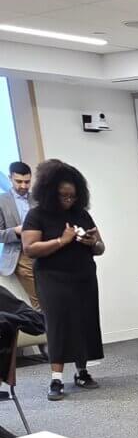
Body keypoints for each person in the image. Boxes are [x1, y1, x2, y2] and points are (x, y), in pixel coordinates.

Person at [21, 160, 105, 402]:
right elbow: (30, 248)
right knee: (58, 325)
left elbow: (100, 246)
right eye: (63, 196)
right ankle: (56, 379)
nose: (68, 200)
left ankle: (82, 372)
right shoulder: (36, 215)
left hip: (83, 276)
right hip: (52, 279)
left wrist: (93, 243)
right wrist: (61, 240)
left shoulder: (81, 214)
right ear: (50, 193)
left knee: (84, 322)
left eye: (72, 196)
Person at [0, 161, 39, 310]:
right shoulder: (2, 201)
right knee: (40, 301)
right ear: (10, 178)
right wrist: (16, 231)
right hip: (20, 255)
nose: (23, 186)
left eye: (27, 182)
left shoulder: (37, 199)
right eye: (18, 181)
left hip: (43, 252)